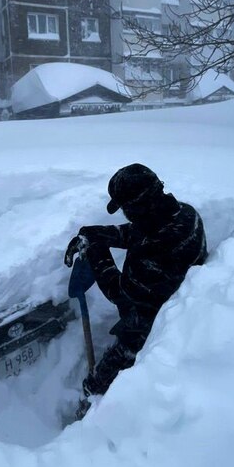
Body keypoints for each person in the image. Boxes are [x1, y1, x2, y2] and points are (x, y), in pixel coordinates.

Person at [64, 163, 207, 398]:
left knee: (98, 385)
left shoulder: (151, 250)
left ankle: (90, 417)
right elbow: (136, 232)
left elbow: (119, 293)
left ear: (138, 207)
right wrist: (94, 233)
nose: (125, 214)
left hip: (150, 329)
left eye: (125, 209)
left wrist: (96, 253)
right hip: (174, 302)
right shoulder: (183, 214)